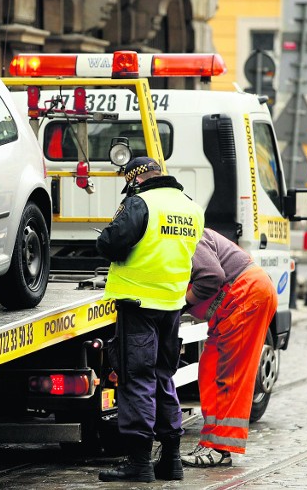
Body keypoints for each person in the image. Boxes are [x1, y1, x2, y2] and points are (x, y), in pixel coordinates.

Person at [96, 156, 205, 483]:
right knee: (162, 376)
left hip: (138, 303)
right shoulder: (191, 207)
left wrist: (105, 237)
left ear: (134, 179)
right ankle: (171, 460)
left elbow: (111, 243)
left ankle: (139, 462)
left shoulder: (140, 204)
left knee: (137, 378)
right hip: (172, 304)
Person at [181, 227, 278, 468]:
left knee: (229, 375)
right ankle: (212, 443)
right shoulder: (181, 234)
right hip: (235, 301)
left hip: (245, 296)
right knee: (211, 371)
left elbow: (211, 277)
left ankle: (220, 448)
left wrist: (181, 304)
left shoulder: (188, 234)